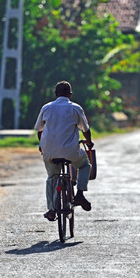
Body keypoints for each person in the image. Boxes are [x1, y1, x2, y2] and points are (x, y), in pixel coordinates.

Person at [34, 81, 94, 221]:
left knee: (52, 178)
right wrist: (89, 143)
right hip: (71, 152)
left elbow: (40, 130)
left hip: (50, 152)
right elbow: (85, 130)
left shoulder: (47, 108)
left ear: (55, 94)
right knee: (85, 165)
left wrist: (42, 145)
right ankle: (79, 193)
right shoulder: (75, 108)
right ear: (70, 94)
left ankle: (51, 210)